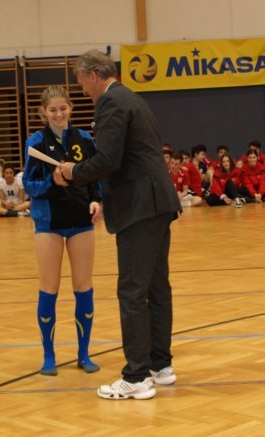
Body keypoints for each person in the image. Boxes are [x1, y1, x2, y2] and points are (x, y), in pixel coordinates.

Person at [58, 49, 181, 401]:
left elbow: (108, 160)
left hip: (139, 207)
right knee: (156, 287)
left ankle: (137, 376)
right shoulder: (133, 98)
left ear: (93, 74)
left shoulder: (111, 102)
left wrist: (73, 172)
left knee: (132, 291)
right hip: (157, 202)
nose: (83, 90)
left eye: (81, 82)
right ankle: (160, 365)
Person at [23, 85, 104, 376]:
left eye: (63, 108)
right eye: (52, 109)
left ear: (71, 108)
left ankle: (84, 354)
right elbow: (29, 185)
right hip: (49, 223)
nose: (58, 114)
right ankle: (49, 356)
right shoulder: (35, 142)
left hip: (81, 221)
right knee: (49, 288)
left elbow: (95, 178)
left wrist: (96, 201)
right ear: (43, 112)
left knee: (84, 287)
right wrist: (52, 182)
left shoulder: (84, 139)